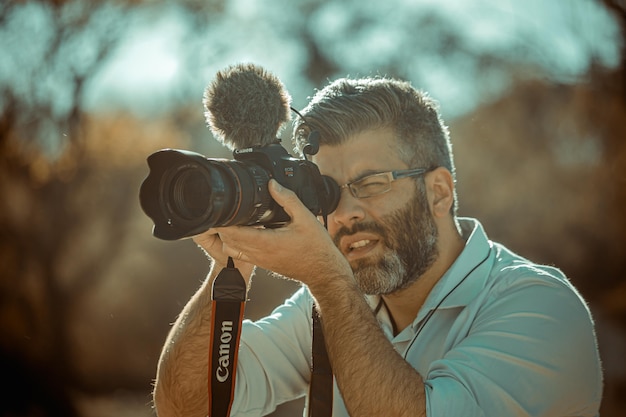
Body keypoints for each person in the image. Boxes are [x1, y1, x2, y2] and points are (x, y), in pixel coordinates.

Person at [152, 76, 603, 417]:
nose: (344, 212)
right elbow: (187, 405)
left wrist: (329, 283)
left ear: (440, 193)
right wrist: (234, 262)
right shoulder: (333, 302)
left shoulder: (540, 306)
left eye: (370, 183)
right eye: (327, 192)